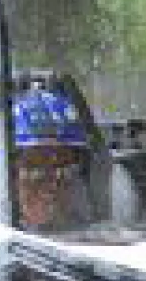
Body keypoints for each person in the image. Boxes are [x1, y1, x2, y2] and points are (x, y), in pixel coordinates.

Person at [10, 82, 96, 232]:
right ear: (9, 176)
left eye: (65, 172)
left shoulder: (96, 234)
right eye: (37, 172)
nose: (52, 187)